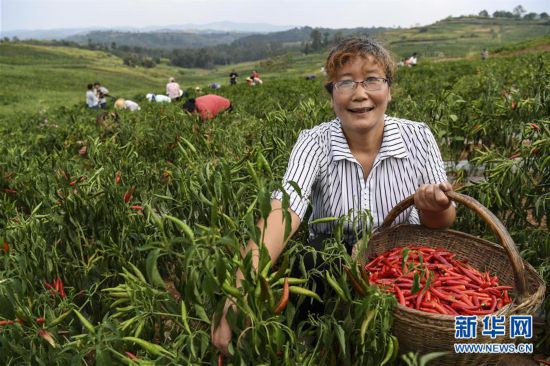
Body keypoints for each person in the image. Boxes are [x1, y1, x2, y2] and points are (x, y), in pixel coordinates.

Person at [212, 37, 456, 355]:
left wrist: (434, 207)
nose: (360, 94)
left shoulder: (418, 137)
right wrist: (239, 290)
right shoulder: (315, 142)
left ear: (389, 90)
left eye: (372, 79)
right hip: (332, 269)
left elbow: (443, 222)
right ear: (332, 95)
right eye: (345, 83)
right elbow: (284, 210)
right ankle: (317, 346)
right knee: (312, 261)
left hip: (401, 266)